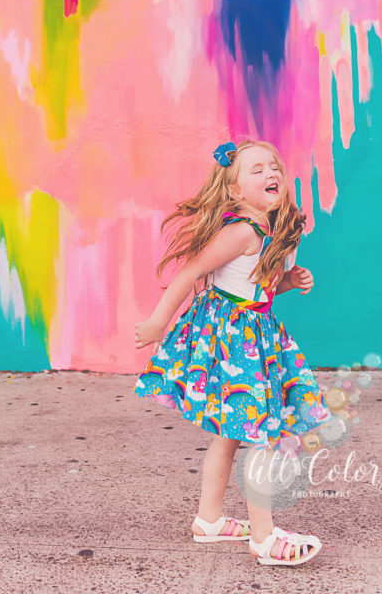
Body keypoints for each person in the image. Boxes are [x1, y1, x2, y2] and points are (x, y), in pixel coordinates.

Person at [133, 139, 333, 566]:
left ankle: (209, 521)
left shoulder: (275, 226)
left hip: (255, 331)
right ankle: (263, 538)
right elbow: (192, 271)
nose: (270, 173)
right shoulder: (241, 230)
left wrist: (288, 282)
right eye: (256, 169)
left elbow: (254, 286)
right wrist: (157, 322)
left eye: (273, 165)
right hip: (232, 340)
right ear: (235, 190)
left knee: (231, 434)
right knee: (261, 433)